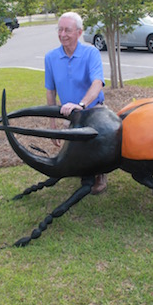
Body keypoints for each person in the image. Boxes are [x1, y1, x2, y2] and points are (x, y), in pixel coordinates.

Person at [44, 11, 108, 194]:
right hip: (68, 113)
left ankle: (100, 174)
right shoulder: (51, 58)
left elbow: (97, 82)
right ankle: (85, 170)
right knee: (77, 152)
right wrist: (52, 123)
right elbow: (51, 91)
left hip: (92, 110)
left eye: (68, 30)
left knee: (96, 147)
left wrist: (81, 105)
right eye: (60, 29)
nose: (62, 34)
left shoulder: (91, 53)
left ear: (79, 33)